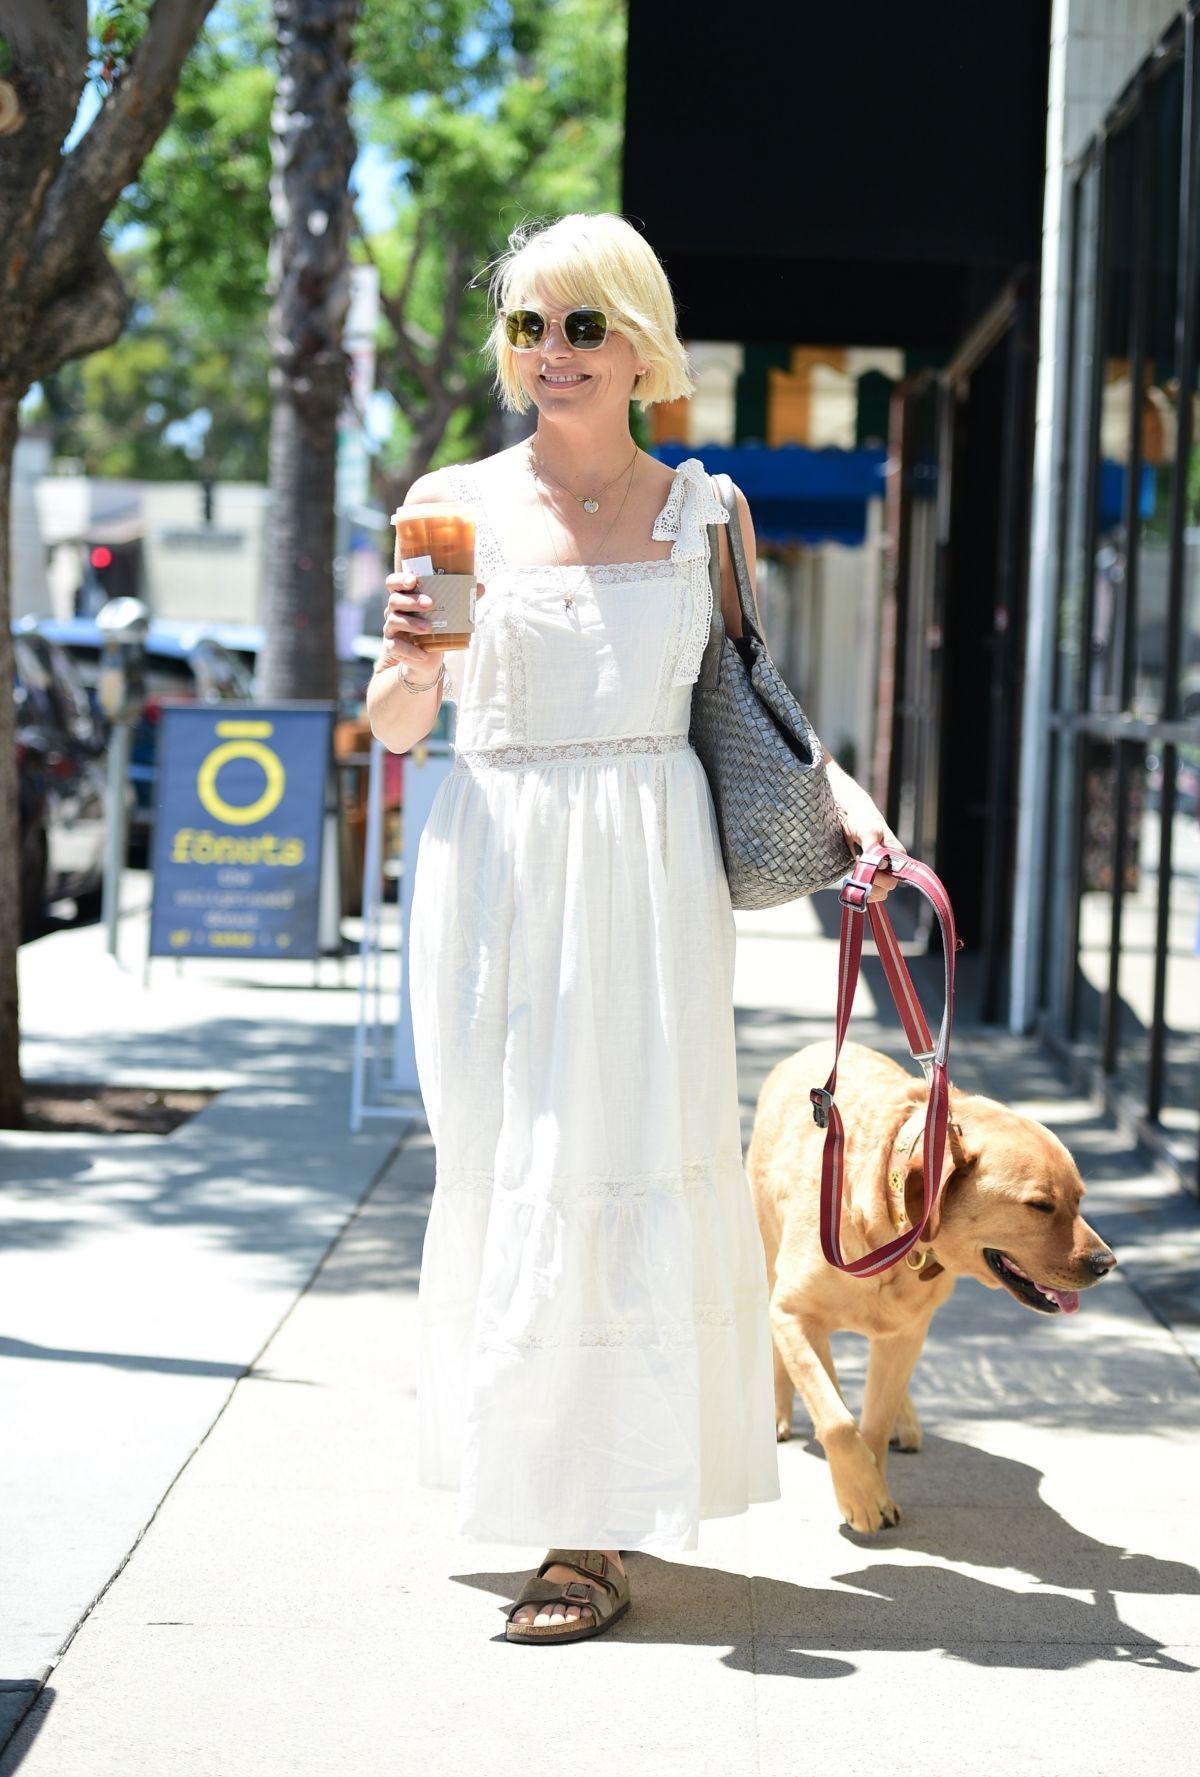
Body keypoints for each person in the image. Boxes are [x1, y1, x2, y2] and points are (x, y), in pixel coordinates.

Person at [367, 213, 902, 1646]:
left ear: (642, 344)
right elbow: (398, 727)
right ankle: (551, 1480)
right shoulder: (450, 500)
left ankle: (583, 1533)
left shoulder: (705, 513)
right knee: (522, 1168)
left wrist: (849, 804)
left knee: (619, 1164)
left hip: (650, 879)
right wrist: (409, 657)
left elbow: (747, 698)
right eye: (529, 327)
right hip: (496, 874)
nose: (552, 353)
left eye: (583, 326)